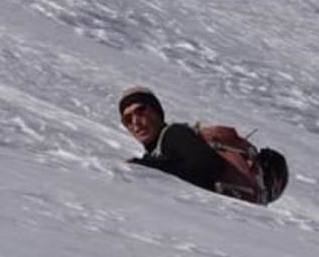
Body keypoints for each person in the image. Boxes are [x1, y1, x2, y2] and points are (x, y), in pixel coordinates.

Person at [118, 87, 289, 205]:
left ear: (157, 111)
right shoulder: (158, 150)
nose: (135, 122)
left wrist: (147, 166)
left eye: (140, 111)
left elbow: (207, 167)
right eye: (127, 119)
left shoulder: (173, 134)